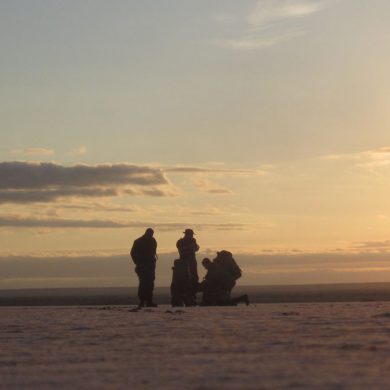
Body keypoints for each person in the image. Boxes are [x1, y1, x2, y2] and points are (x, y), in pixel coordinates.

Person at [130, 228, 158, 308]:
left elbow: (153, 253)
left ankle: (149, 301)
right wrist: (138, 262)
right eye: (150, 234)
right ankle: (142, 301)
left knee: (150, 283)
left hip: (150, 266)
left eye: (152, 234)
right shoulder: (138, 241)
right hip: (142, 266)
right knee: (143, 283)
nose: (151, 235)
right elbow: (133, 253)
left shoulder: (153, 241)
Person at [176, 228, 199, 304]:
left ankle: (190, 297)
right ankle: (189, 297)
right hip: (187, 263)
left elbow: (195, 248)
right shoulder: (186, 241)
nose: (192, 236)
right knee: (190, 280)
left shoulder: (181, 241)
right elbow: (195, 248)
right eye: (191, 234)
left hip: (186, 263)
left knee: (190, 280)